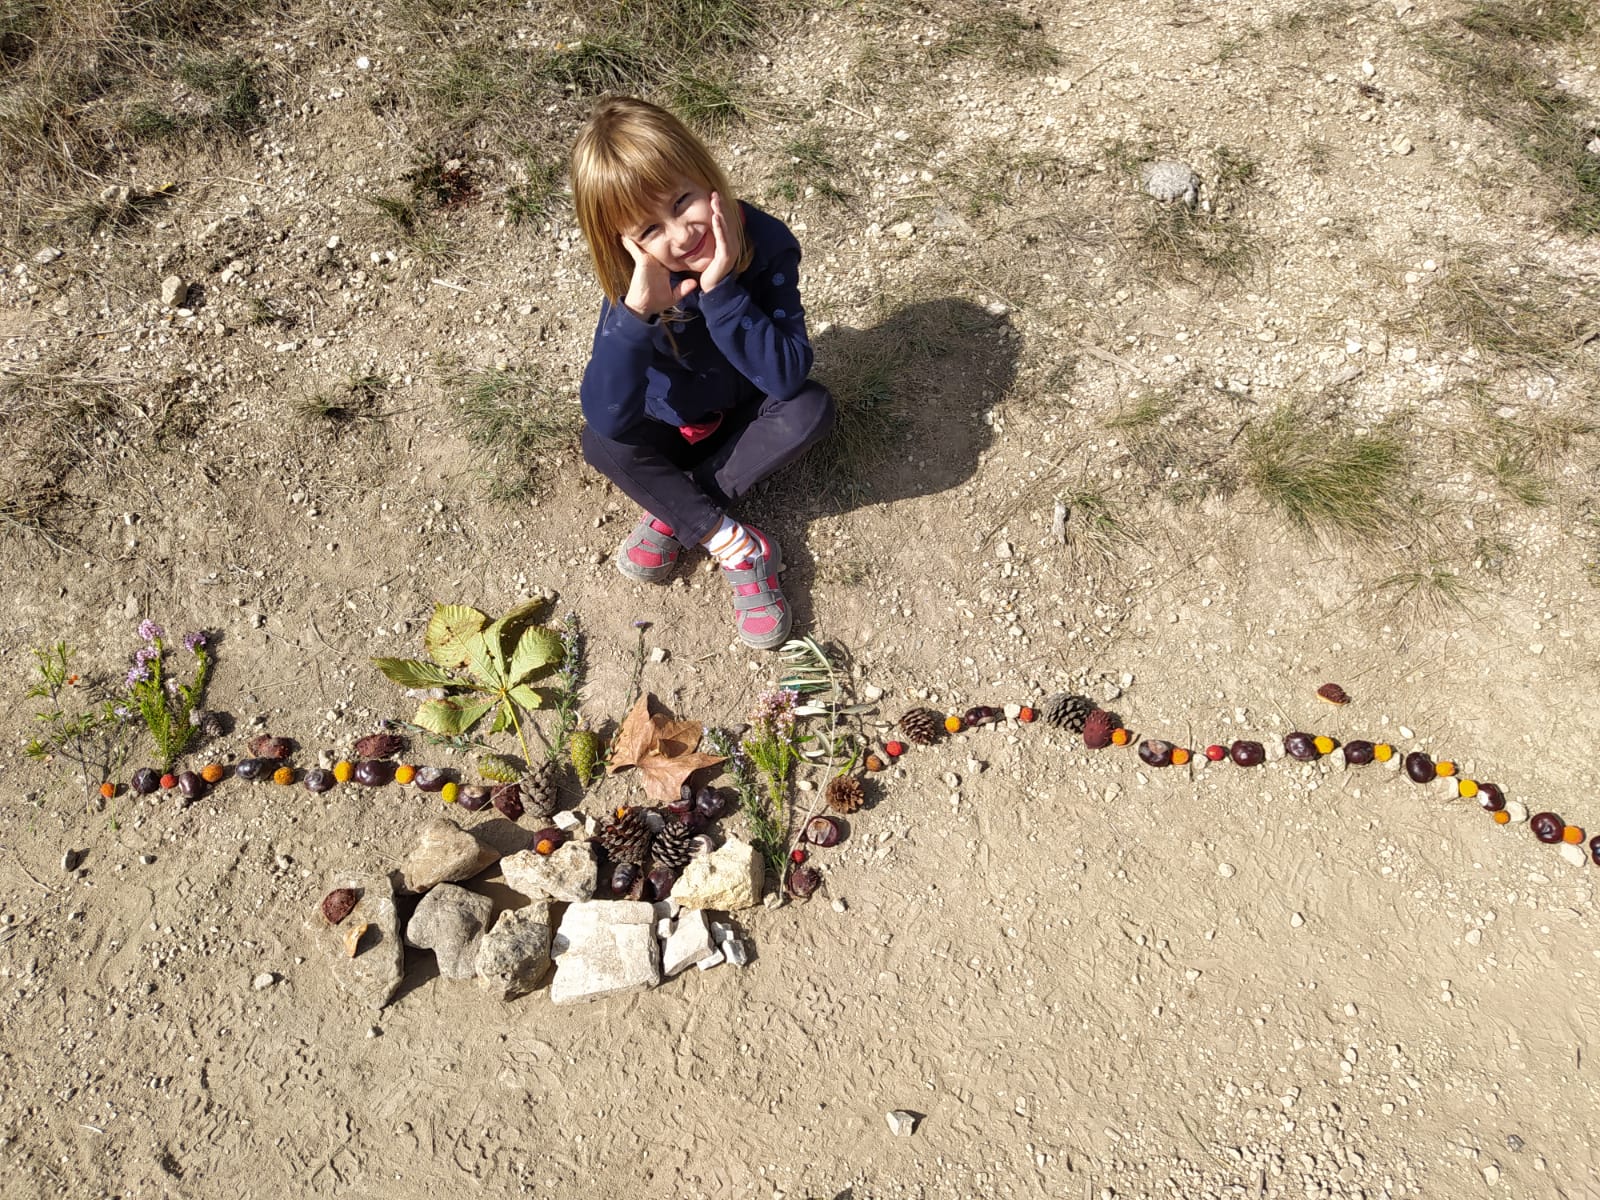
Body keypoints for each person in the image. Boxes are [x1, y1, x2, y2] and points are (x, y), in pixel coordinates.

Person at [570, 96, 835, 651]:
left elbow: (787, 377)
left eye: (682, 201)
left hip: (746, 413)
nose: (682, 234)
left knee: (811, 408)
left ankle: (677, 506)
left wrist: (721, 292)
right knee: (600, 441)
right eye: (650, 228)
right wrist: (636, 314)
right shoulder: (636, 285)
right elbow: (608, 417)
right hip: (671, 426)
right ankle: (736, 544)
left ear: (705, 173)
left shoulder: (765, 243)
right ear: (625, 244)